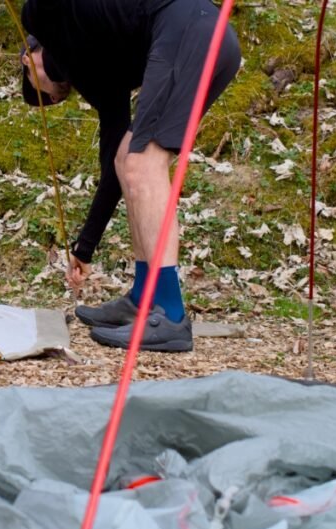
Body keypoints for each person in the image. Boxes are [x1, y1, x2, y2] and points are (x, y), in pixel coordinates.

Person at [20, 0, 240, 352]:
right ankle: (143, 298)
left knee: (143, 163)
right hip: (198, 37)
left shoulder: (44, 17)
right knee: (127, 160)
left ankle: (170, 314)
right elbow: (113, 168)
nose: (55, 97)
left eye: (40, 89)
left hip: (188, 29)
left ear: (28, 58)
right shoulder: (100, 66)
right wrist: (85, 247)